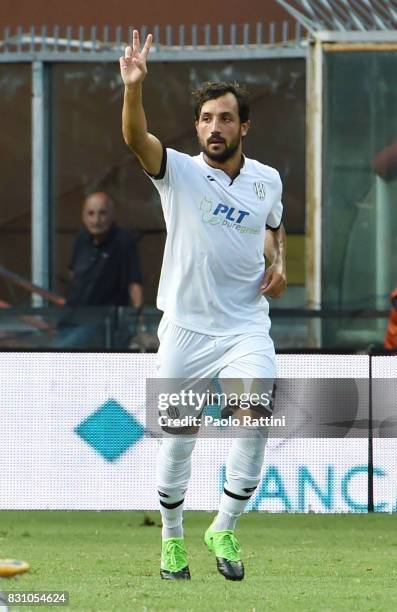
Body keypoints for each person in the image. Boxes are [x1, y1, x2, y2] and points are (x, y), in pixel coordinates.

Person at [120, 31, 287, 581]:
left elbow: (273, 226)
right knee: (179, 439)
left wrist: (279, 263)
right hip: (186, 330)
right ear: (197, 128)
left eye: (225, 118)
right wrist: (133, 88)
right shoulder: (181, 172)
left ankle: (225, 527)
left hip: (244, 328)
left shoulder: (267, 180)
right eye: (207, 119)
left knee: (255, 419)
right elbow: (135, 136)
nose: (215, 127)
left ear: (244, 126)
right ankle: (171, 541)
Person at [55, 192, 143, 348]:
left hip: (102, 324)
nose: (96, 220)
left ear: (112, 215)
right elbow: (73, 275)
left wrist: (140, 324)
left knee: (57, 355)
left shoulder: (123, 241)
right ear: (83, 216)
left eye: (102, 213)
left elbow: (134, 284)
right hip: (71, 319)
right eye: (91, 213)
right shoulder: (82, 238)